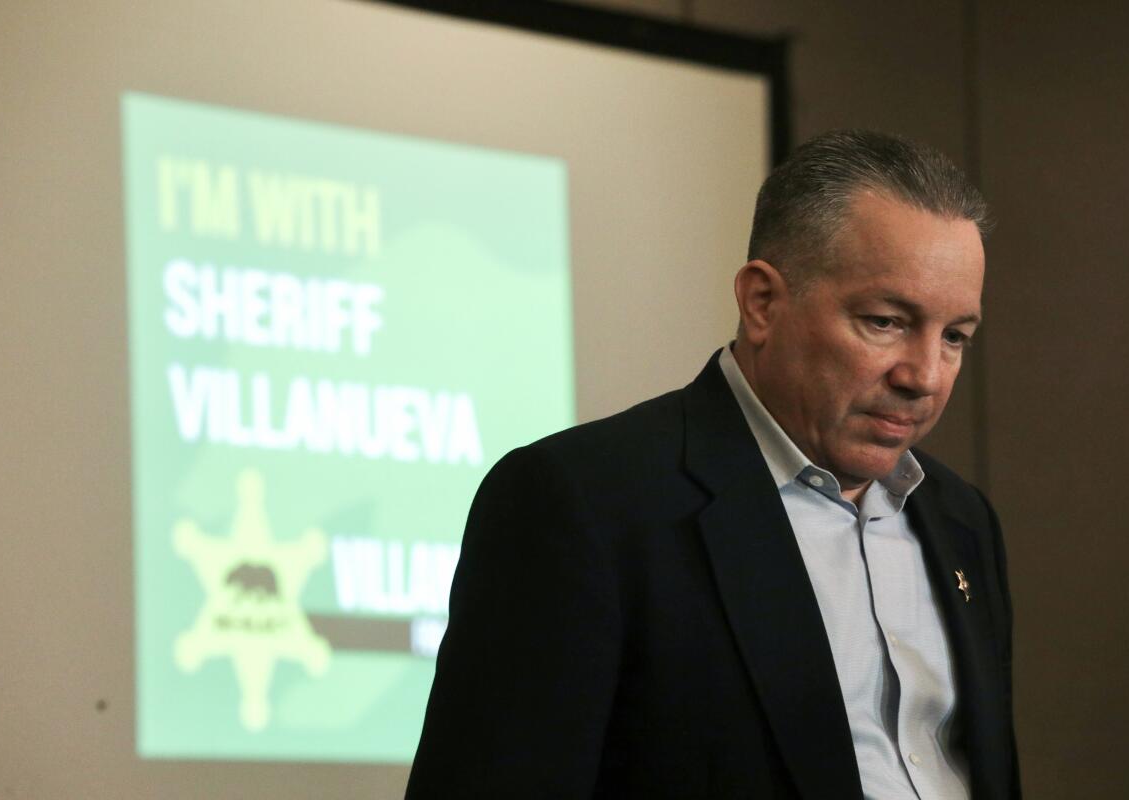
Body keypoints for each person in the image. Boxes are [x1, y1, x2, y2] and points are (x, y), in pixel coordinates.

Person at [406, 130, 1020, 799]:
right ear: (762, 303)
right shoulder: (584, 503)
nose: (925, 376)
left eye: (955, 336)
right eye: (884, 322)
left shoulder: (962, 522)